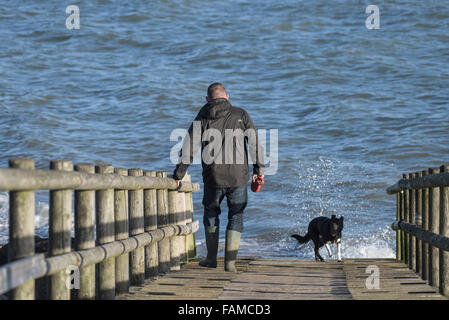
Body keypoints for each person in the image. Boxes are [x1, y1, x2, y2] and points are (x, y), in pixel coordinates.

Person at [173, 83, 264, 272]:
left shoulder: (202, 117)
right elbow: (255, 143)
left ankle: (211, 259)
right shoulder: (240, 114)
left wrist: (179, 173)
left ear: (207, 100)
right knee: (236, 216)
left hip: (213, 177)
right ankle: (230, 264)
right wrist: (258, 170)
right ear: (227, 97)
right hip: (238, 176)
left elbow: (189, 147)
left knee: (211, 214)